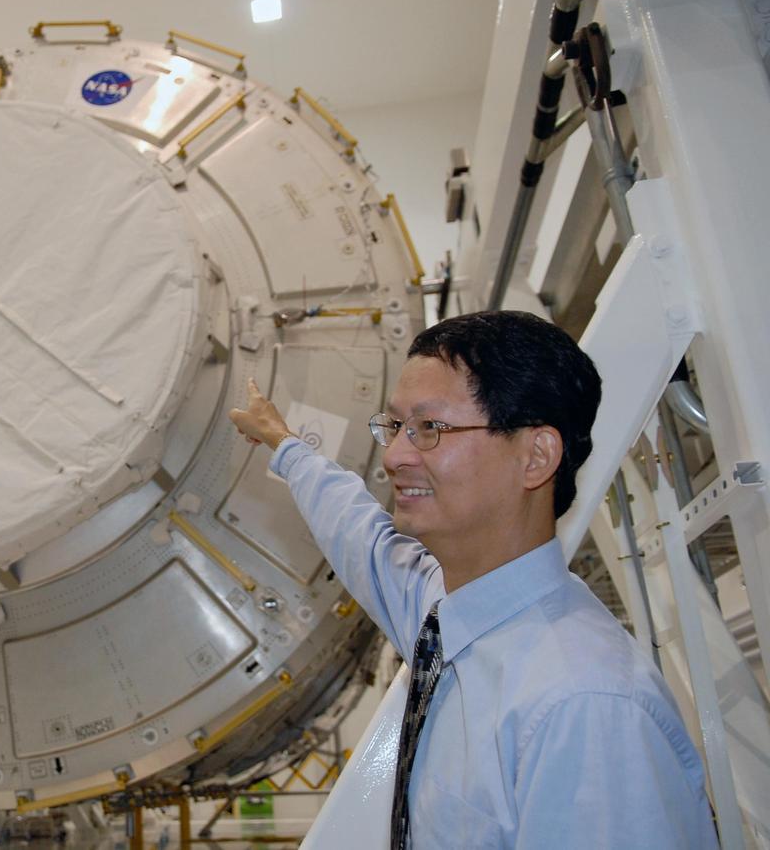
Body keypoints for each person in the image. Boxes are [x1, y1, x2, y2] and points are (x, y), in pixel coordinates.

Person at [229, 310, 717, 849]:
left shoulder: (585, 709)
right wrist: (284, 443)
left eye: (430, 429)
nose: (393, 456)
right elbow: (357, 533)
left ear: (536, 456)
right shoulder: (445, 616)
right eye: (395, 426)